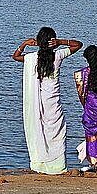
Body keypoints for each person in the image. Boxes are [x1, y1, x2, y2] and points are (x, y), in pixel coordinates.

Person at [12, 27, 83, 174]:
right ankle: (57, 166)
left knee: (41, 131)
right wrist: (61, 42)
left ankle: (41, 165)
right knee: (57, 131)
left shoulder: (32, 58)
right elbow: (78, 45)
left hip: (38, 101)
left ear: (39, 42)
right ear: (52, 42)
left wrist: (25, 44)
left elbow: (16, 56)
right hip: (53, 102)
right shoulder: (58, 55)